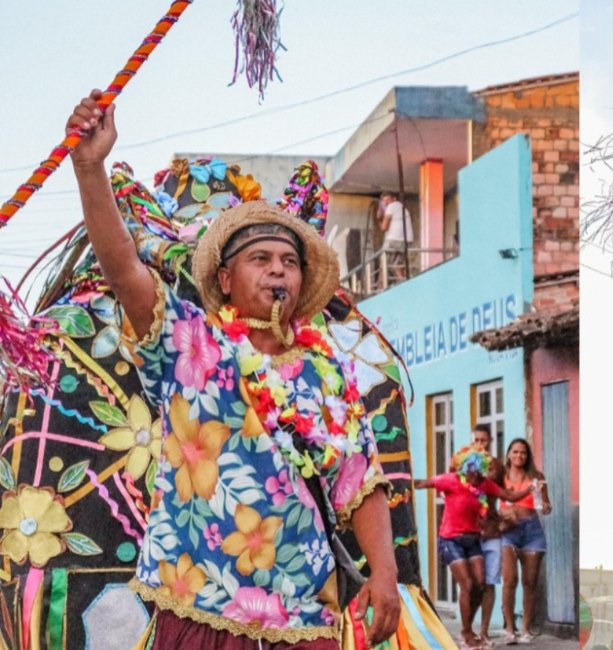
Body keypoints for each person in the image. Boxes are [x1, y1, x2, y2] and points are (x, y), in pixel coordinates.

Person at [67, 90, 399, 649]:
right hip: (196, 612)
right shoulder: (188, 341)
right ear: (224, 280)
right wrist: (89, 167)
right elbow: (124, 268)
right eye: (261, 259)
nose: (278, 273)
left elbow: (357, 482)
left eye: (289, 263)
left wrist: (385, 574)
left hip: (303, 620)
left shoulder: (329, 373)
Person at [415, 447, 529, 650]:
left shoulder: (484, 484)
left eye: (479, 471)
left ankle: (467, 629)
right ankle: (466, 633)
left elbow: (508, 496)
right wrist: (401, 481)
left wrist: (530, 489)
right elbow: (424, 483)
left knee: (480, 584)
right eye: (472, 471)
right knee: (467, 584)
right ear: (465, 469)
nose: (476, 475)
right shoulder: (451, 480)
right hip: (451, 540)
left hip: (473, 539)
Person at [500, 438, 551, 645]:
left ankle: (526, 629)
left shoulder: (537, 477)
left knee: (530, 582)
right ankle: (509, 629)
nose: (519, 456)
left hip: (532, 530)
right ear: (509, 454)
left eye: (523, 452)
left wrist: (546, 506)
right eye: (515, 452)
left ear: (527, 456)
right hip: (508, 531)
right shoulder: (500, 477)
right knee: (509, 581)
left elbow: (546, 505)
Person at [469, 426, 505, 648]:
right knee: (472, 584)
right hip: (469, 531)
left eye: (484, 440)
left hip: (491, 530)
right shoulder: (463, 464)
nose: (481, 444)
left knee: (490, 583)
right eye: (477, 440)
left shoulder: (497, 466)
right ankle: (468, 631)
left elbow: (506, 492)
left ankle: (484, 632)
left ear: (490, 441)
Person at [376, 191, 414, 284]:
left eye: (388, 200)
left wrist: (377, 218)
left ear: (394, 199)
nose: (386, 203)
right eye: (384, 202)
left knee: (383, 261)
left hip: (394, 240)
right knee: (397, 265)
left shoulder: (392, 206)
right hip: (407, 241)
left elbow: (384, 228)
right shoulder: (402, 208)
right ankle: (403, 282)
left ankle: (381, 285)